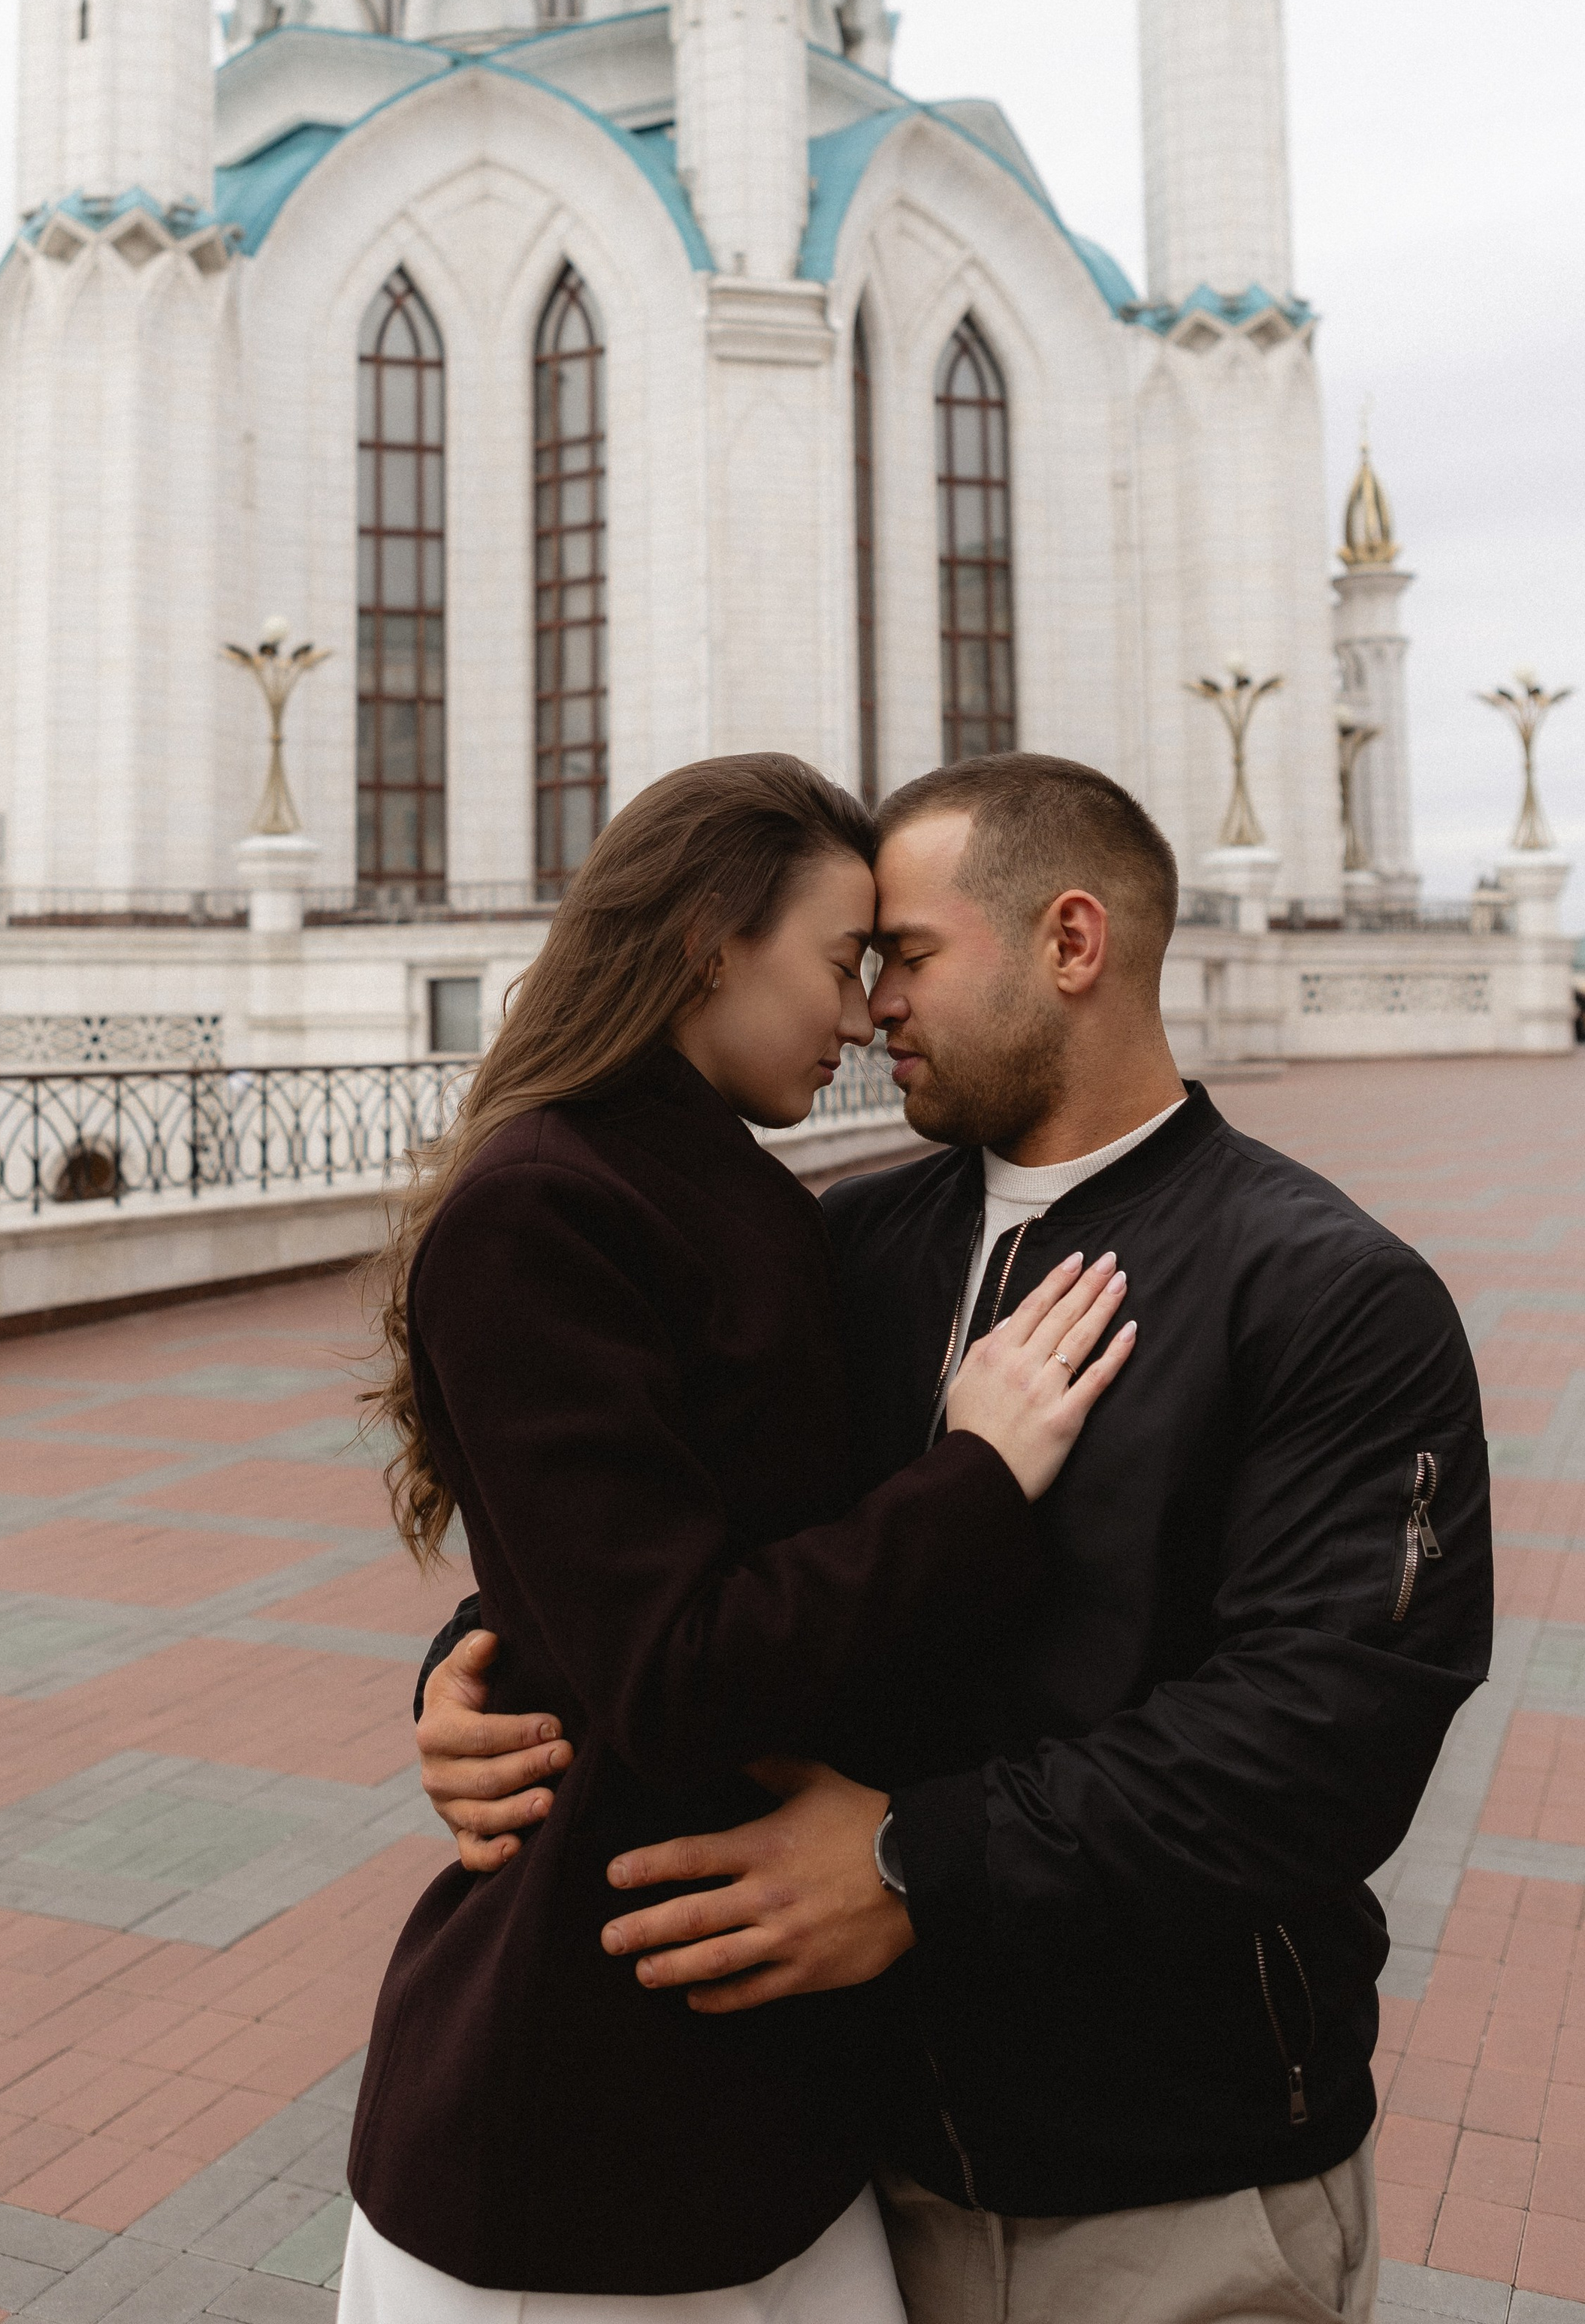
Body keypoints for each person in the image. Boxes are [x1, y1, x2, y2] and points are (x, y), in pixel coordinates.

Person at [416, 750, 1493, 2324]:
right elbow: (697, 1557)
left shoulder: (1330, 1293)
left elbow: (1319, 1739)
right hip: (850, 2171)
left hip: (1173, 2182)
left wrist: (915, 1866)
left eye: (905, 954)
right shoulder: (848, 1242)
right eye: (858, 962)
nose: (872, 1009)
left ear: (1072, 943)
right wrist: (485, 1659)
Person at [339, 752, 1137, 2321]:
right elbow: (673, 1664)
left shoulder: (738, 1195)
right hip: (580, 2107)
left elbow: (651, 1554)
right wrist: (976, 1476)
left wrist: (488, 1648)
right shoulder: (548, 1203)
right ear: (712, 942)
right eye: (841, 962)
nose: (862, 1015)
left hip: (757, 2085)